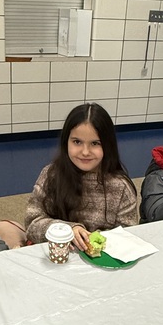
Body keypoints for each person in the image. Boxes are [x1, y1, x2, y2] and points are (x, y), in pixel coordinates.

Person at [25, 102, 138, 250]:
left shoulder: (120, 187)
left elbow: (128, 235)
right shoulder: (51, 175)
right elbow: (32, 223)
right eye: (77, 142)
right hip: (56, 258)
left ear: (108, 145)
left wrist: (92, 241)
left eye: (95, 143)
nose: (85, 152)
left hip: (101, 264)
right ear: (66, 142)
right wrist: (67, 230)